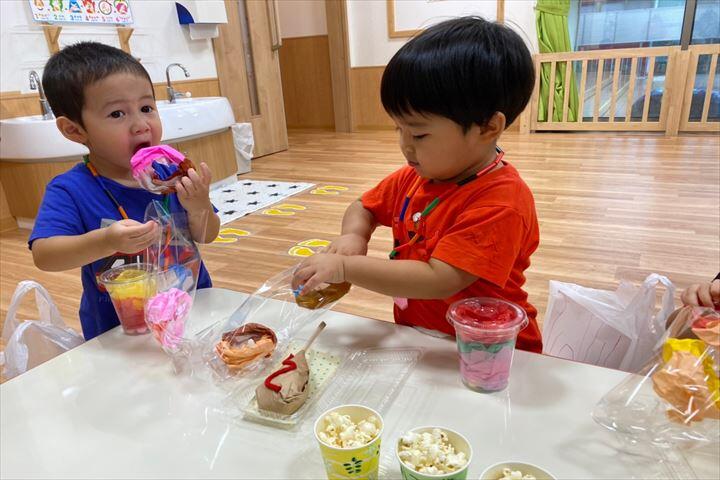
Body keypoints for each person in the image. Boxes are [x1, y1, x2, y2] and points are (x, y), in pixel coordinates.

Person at [292, 17, 542, 352]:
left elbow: (441, 279)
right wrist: (354, 235)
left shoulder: (502, 201)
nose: (405, 145)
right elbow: (363, 206)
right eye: (399, 129)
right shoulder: (417, 175)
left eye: (419, 134)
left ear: (487, 128)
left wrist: (344, 266)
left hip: (488, 348)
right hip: (425, 339)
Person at [30, 42, 220, 340]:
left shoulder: (171, 175)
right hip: (121, 330)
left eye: (147, 108)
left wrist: (199, 206)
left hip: (191, 309)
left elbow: (207, 234)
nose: (141, 125)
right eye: (118, 114)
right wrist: (105, 241)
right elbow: (45, 255)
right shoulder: (71, 189)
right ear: (74, 130)